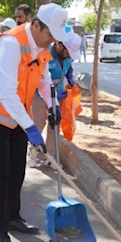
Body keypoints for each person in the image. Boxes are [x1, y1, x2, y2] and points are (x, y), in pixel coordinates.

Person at [0, 3, 67, 242]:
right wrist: (31, 128)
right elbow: (5, 93)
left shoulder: (42, 46)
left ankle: (13, 217)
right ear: (36, 25)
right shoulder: (10, 44)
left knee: (17, 169)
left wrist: (51, 105)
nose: (52, 41)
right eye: (50, 35)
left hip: (17, 112)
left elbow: (44, 78)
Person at [29, 32, 82, 166]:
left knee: (55, 124)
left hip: (58, 93)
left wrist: (70, 77)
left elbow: (69, 67)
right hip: (39, 94)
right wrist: (50, 93)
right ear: (59, 46)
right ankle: (33, 152)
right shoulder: (45, 54)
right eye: (68, 52)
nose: (70, 56)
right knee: (39, 122)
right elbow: (38, 78)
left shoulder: (68, 55)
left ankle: (50, 157)